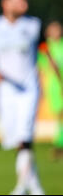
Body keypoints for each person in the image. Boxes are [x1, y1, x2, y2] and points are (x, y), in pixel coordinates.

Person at [0, 0, 45, 195]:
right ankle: (33, 186)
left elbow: (47, 52)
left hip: (28, 88)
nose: (23, 3)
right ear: (5, 3)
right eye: (18, 0)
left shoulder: (34, 25)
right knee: (17, 139)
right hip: (6, 90)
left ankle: (21, 186)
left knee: (25, 136)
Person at [37, 21, 63, 160]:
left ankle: (59, 143)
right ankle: (59, 143)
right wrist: (41, 88)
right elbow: (41, 69)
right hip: (54, 86)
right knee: (60, 114)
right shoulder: (44, 47)